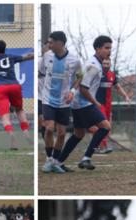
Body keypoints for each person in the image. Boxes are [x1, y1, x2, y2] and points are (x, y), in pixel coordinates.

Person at [51, 35, 113, 172]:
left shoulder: (95, 62)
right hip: (82, 103)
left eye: (110, 48)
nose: (109, 51)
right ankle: (86, 158)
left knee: (79, 134)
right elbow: (84, 88)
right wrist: (96, 103)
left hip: (79, 103)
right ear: (98, 49)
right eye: (106, 48)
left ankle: (59, 162)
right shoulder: (93, 66)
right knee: (105, 127)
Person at [39, 31, 83, 173]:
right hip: (47, 100)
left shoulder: (74, 60)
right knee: (50, 129)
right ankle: (49, 160)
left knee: (62, 133)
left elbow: (79, 77)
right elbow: (41, 74)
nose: (48, 45)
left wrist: (72, 91)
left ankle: (57, 163)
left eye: (51, 42)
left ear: (59, 44)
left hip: (64, 102)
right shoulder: (47, 56)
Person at [92, 58, 131, 153]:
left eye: (107, 63)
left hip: (108, 104)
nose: (105, 65)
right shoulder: (97, 74)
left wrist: (126, 96)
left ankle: (95, 147)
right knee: (103, 126)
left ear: (110, 64)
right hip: (99, 104)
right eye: (104, 63)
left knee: (107, 127)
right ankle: (105, 146)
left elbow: (118, 87)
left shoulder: (112, 75)